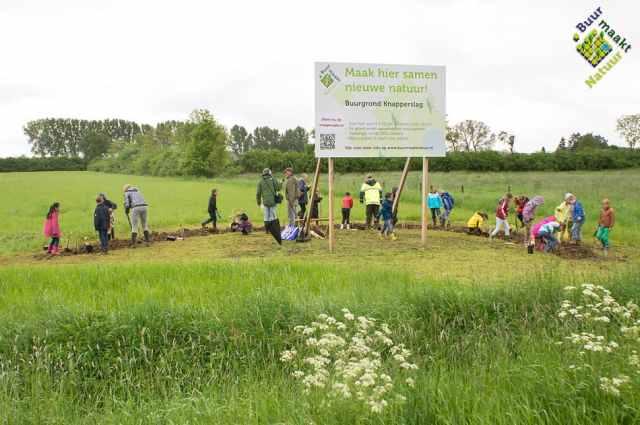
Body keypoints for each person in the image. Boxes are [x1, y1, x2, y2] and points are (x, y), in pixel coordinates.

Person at [256, 168, 282, 245]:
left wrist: (258, 202)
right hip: (273, 201)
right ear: (269, 173)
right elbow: (278, 188)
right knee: (273, 215)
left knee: (266, 216)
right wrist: (280, 183)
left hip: (265, 202)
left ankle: (267, 230)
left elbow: (258, 193)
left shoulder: (260, 181)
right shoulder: (273, 179)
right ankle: (273, 230)